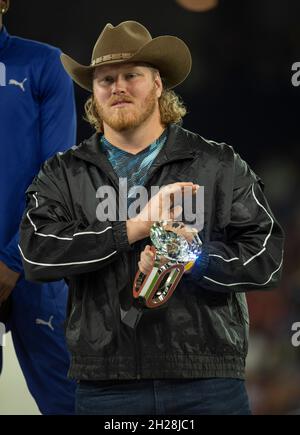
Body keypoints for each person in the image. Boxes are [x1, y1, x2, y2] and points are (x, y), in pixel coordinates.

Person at [19, 20, 285, 415]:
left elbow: (267, 258)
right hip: (105, 385)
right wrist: (133, 229)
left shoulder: (218, 164)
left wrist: (190, 258)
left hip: (207, 382)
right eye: (105, 79)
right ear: (93, 92)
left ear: (158, 84)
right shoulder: (62, 173)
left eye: (131, 75)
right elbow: (36, 254)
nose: (118, 87)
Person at [0, 0, 76, 414]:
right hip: (28, 261)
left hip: (33, 265)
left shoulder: (44, 64)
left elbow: (59, 173)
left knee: (71, 406)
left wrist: (13, 259)